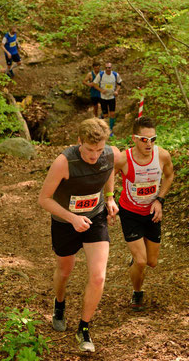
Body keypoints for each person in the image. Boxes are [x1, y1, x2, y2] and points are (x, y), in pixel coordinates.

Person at [38, 118, 119, 353]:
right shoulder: (64, 162)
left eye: (99, 150)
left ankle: (83, 327)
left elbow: (109, 170)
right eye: (89, 150)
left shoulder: (110, 154)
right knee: (65, 270)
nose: (95, 156)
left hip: (95, 218)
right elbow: (44, 199)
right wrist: (72, 218)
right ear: (79, 141)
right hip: (65, 222)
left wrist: (111, 197)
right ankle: (59, 304)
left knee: (98, 277)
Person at [114, 116, 174, 311]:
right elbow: (107, 177)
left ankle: (136, 259)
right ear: (134, 138)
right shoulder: (124, 159)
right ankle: (137, 293)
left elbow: (169, 175)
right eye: (144, 139)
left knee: (152, 262)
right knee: (141, 262)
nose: (149, 144)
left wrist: (160, 200)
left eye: (153, 139)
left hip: (151, 212)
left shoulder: (162, 156)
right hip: (130, 212)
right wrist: (108, 198)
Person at [92, 62, 122, 136]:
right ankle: (102, 116)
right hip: (103, 98)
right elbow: (94, 84)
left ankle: (110, 130)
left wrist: (117, 91)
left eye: (109, 68)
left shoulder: (115, 75)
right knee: (106, 115)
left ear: (111, 68)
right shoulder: (101, 74)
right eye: (106, 68)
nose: (108, 69)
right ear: (104, 68)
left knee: (112, 114)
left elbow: (119, 84)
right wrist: (101, 90)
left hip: (111, 97)